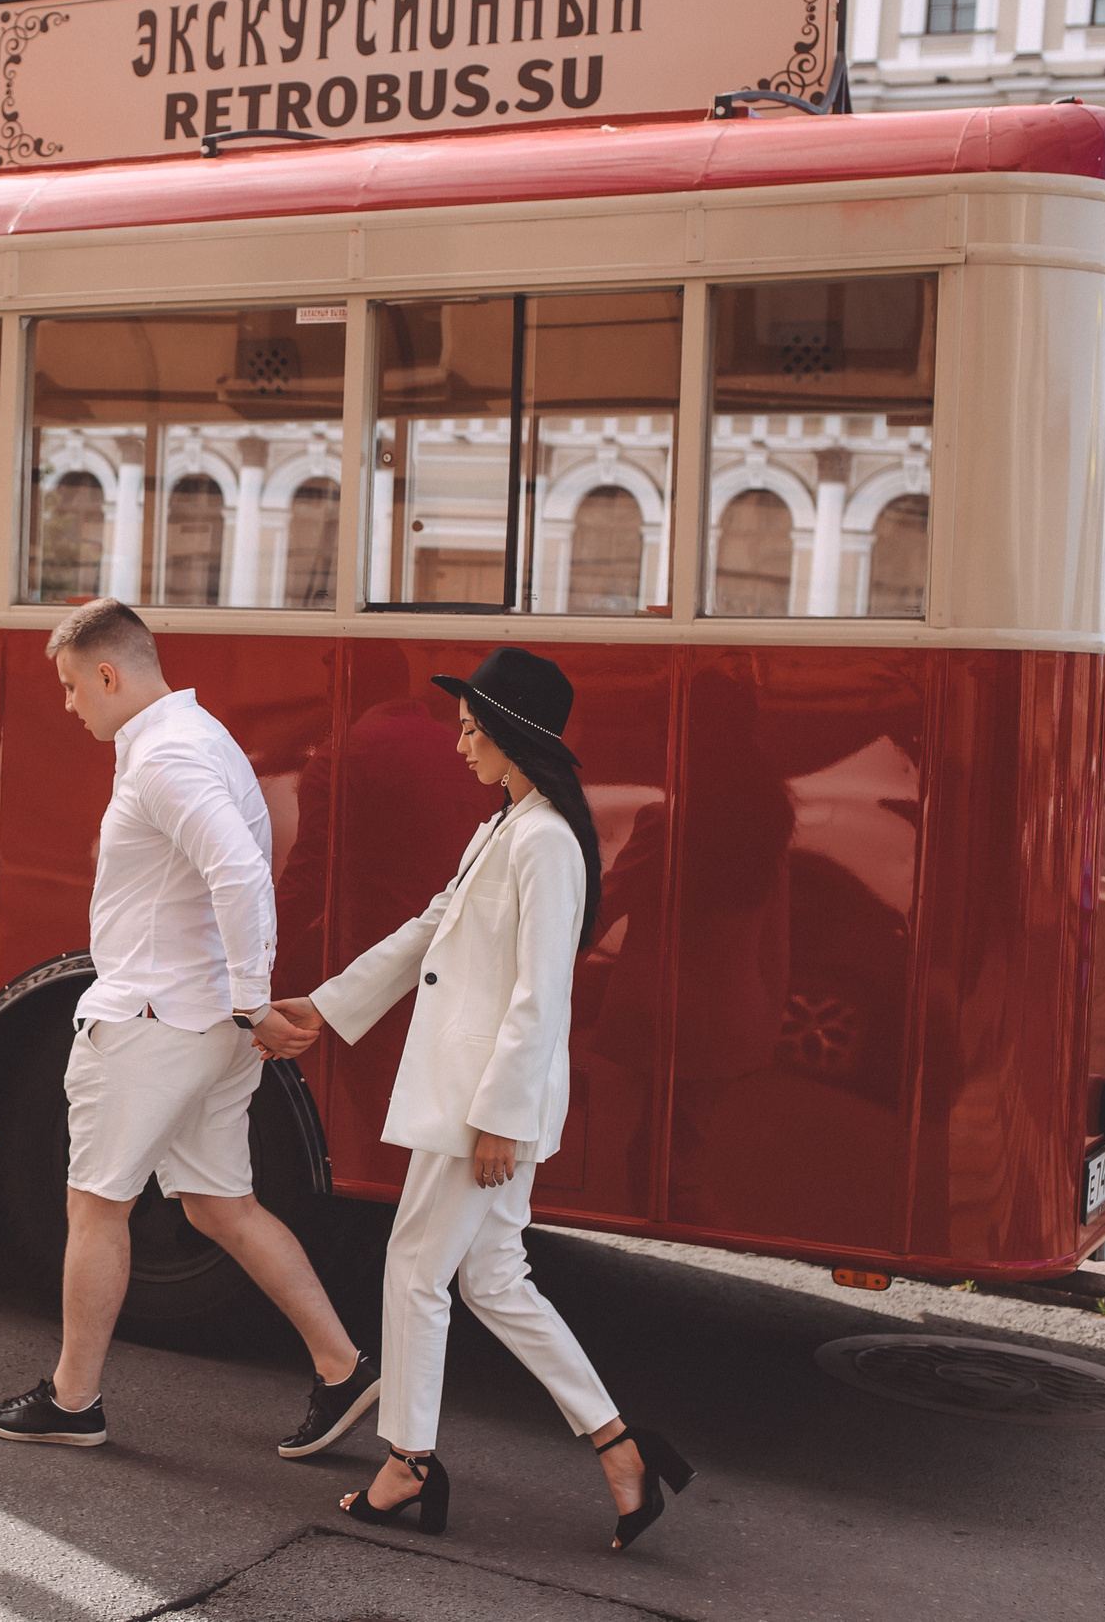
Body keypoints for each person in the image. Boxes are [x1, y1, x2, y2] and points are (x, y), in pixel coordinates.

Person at [271, 646, 694, 1550]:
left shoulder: (544, 841)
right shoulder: (506, 825)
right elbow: (428, 928)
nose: (459, 744)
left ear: (510, 734)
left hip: (481, 1103)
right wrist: (326, 1006)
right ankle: (622, 1449)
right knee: (494, 1280)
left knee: (415, 1269)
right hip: (478, 1097)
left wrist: (500, 1116)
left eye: (471, 730)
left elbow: (542, 995)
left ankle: (409, 1462)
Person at [0, 599, 381, 1457]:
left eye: (71, 686)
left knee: (95, 1206)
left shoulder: (166, 755)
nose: (69, 704)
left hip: (155, 1021)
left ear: (108, 673)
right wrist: (244, 1004)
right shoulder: (203, 738)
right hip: (206, 1024)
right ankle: (343, 1366)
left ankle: (73, 1400)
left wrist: (254, 998)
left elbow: (240, 873)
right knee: (222, 1205)